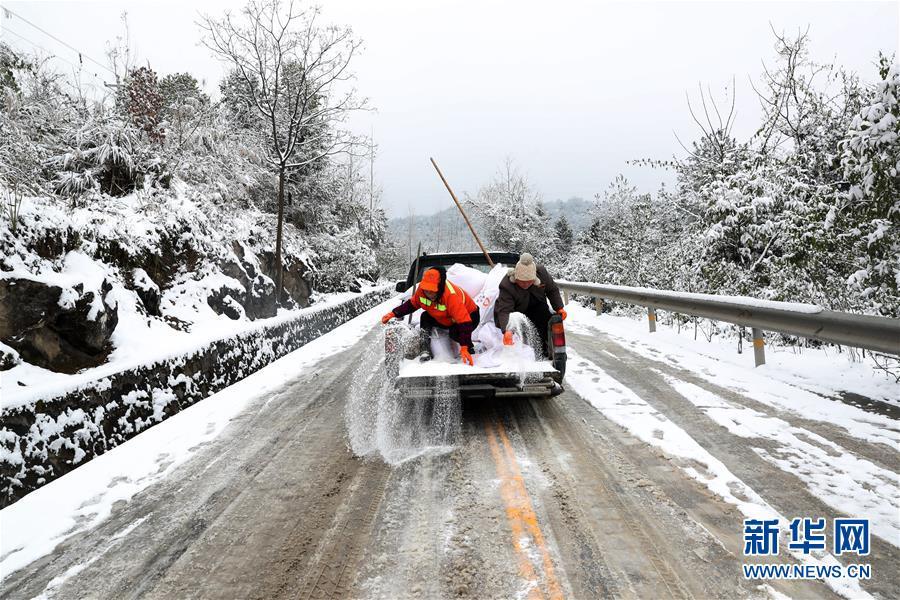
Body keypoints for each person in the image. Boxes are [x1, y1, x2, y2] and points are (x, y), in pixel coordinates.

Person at [381, 267, 479, 365]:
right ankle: (425, 349)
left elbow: (464, 322)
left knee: (455, 334)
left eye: (432, 291)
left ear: (439, 288)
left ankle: (470, 348)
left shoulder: (451, 296)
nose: (429, 294)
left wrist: (464, 346)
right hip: (445, 318)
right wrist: (394, 313)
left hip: (470, 316)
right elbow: (411, 304)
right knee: (425, 317)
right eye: (427, 291)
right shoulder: (422, 290)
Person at [494, 253, 566, 358]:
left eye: (529, 282)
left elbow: (552, 290)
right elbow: (505, 310)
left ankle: (544, 350)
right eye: (522, 282)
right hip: (516, 311)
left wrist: (559, 308)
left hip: (537, 306)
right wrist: (507, 330)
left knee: (545, 319)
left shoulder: (542, 273)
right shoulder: (507, 285)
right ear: (515, 278)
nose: (525, 285)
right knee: (519, 325)